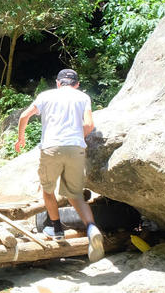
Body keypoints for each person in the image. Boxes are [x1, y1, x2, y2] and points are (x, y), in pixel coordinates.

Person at [15, 68, 104, 262]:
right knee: (75, 195)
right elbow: (89, 125)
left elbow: (24, 117)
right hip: (76, 149)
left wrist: (21, 139)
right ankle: (92, 227)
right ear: (77, 84)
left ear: (57, 83)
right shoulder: (83, 97)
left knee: (48, 191)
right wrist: (75, 140)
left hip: (51, 148)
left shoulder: (46, 95)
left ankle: (56, 229)